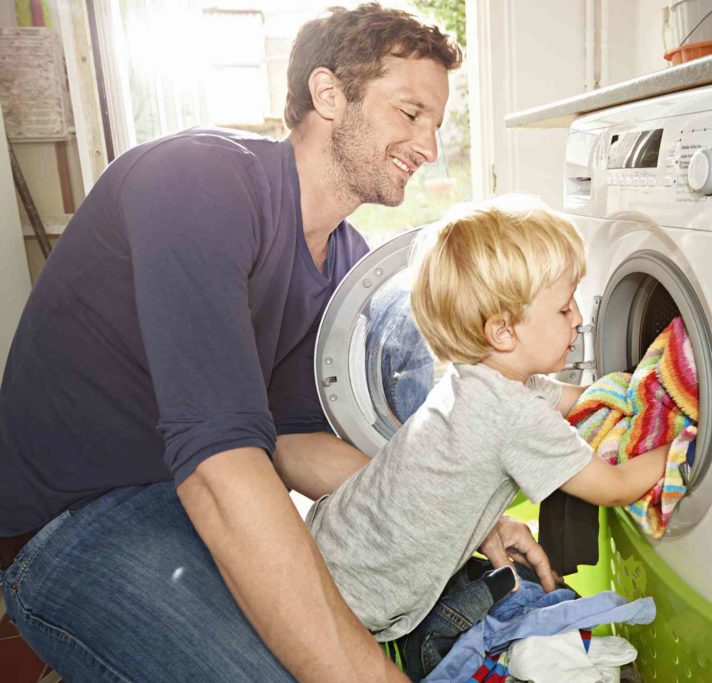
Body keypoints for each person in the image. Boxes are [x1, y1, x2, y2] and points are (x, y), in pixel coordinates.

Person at [0, 5, 553, 681]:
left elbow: (291, 444)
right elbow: (219, 466)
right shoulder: (199, 182)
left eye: (436, 124)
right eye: (410, 114)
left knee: (402, 611)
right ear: (328, 94)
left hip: (184, 495)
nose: (429, 146)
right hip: (71, 520)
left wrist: (453, 515)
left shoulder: (345, 260)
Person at [307, 197, 671, 680]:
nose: (580, 318)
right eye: (564, 308)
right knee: (506, 604)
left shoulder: (478, 380)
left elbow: (575, 398)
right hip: (358, 600)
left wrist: (642, 389)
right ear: (502, 331)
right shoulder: (511, 415)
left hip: (327, 541)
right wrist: (682, 439)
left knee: (505, 590)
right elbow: (616, 486)